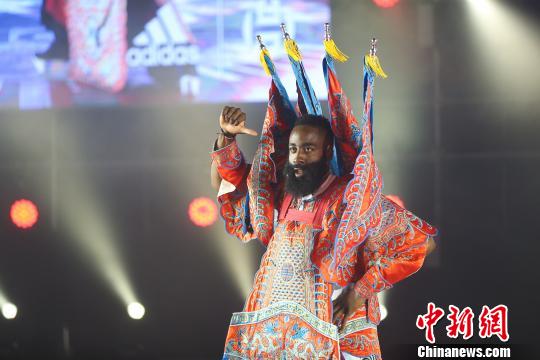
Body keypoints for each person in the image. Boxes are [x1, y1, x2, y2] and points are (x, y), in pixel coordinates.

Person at [210, 35, 437, 359]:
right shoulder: (280, 193)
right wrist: (225, 136)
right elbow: (230, 186)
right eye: (292, 149)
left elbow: (420, 242)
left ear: (326, 150)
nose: (297, 157)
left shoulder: (351, 196)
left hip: (334, 329)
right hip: (270, 335)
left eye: (307, 149)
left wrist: (361, 291)